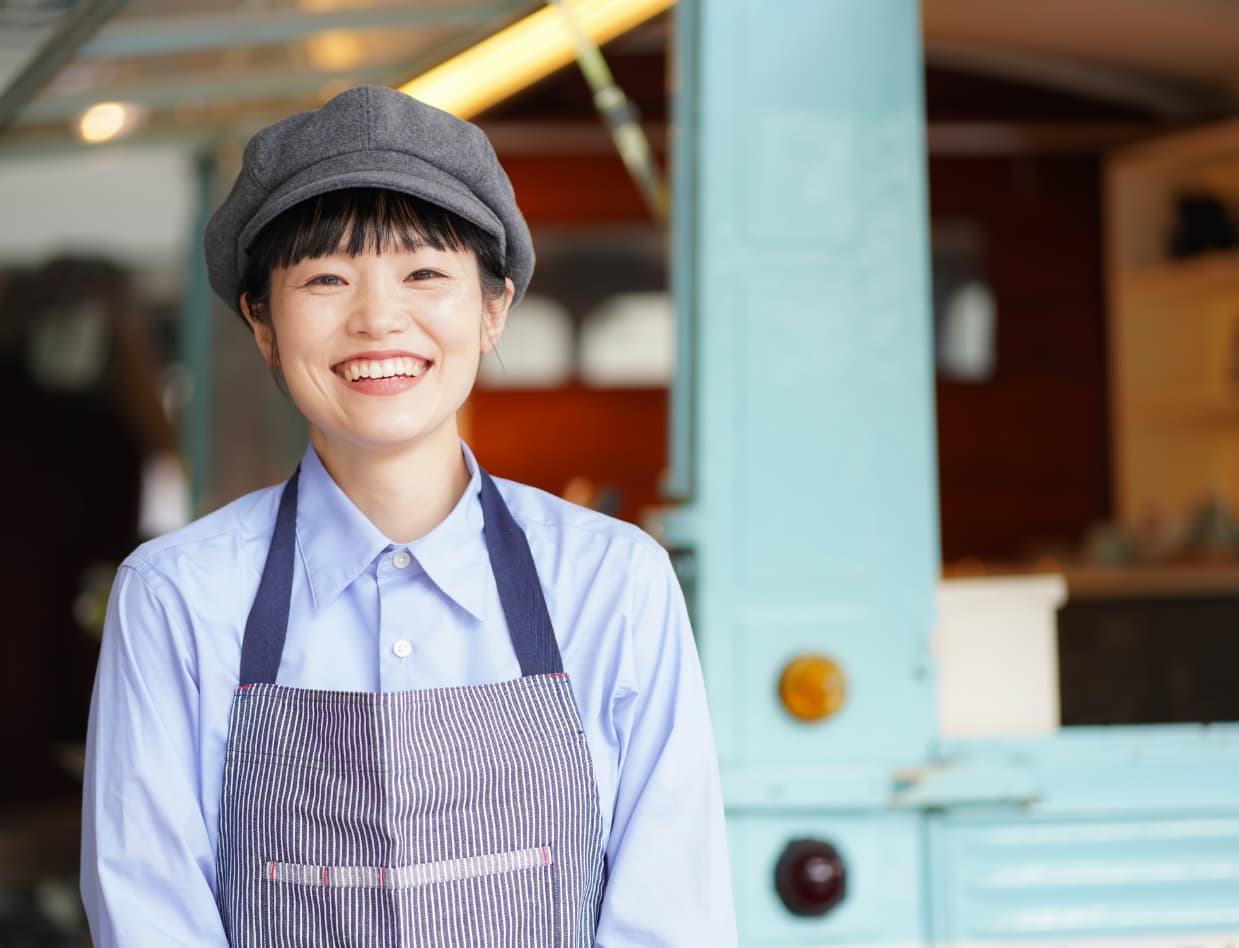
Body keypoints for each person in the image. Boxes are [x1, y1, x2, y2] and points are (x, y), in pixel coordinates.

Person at [79, 85, 736, 947]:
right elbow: (149, 917)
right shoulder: (175, 597)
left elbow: (671, 917)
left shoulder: (613, 581)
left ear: (492, 308)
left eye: (424, 273)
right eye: (325, 278)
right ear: (263, 324)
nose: (378, 318)